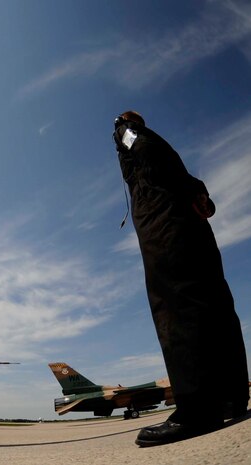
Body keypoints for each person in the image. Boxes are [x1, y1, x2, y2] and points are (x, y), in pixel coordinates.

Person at [113, 110, 249, 447]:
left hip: (164, 226)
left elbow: (142, 151)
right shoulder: (167, 151)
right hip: (189, 225)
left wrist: (122, 131)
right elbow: (173, 169)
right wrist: (197, 192)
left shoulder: (134, 138)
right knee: (214, 302)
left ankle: (199, 408)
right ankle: (231, 397)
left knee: (174, 302)